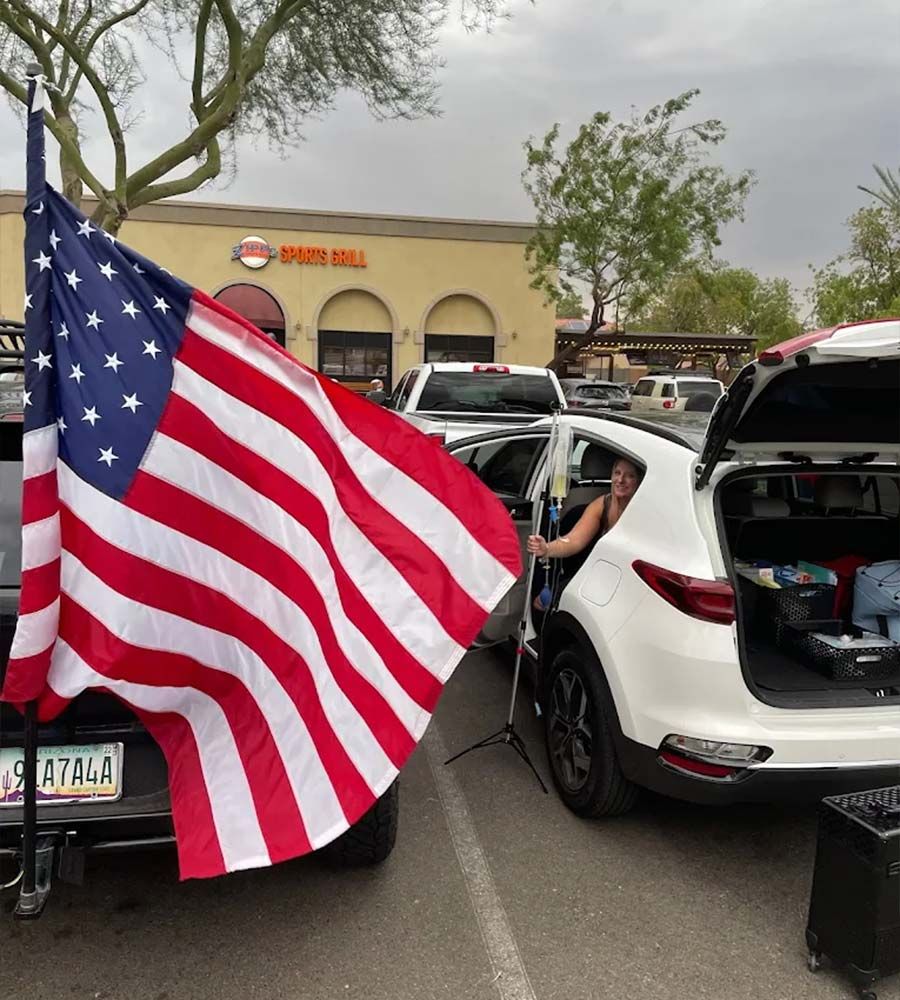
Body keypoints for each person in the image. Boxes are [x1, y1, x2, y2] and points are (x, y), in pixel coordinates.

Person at [527, 456, 643, 564]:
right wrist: (546, 548)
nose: (620, 480)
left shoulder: (645, 509)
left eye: (630, 476)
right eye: (617, 473)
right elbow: (574, 540)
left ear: (639, 481)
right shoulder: (602, 504)